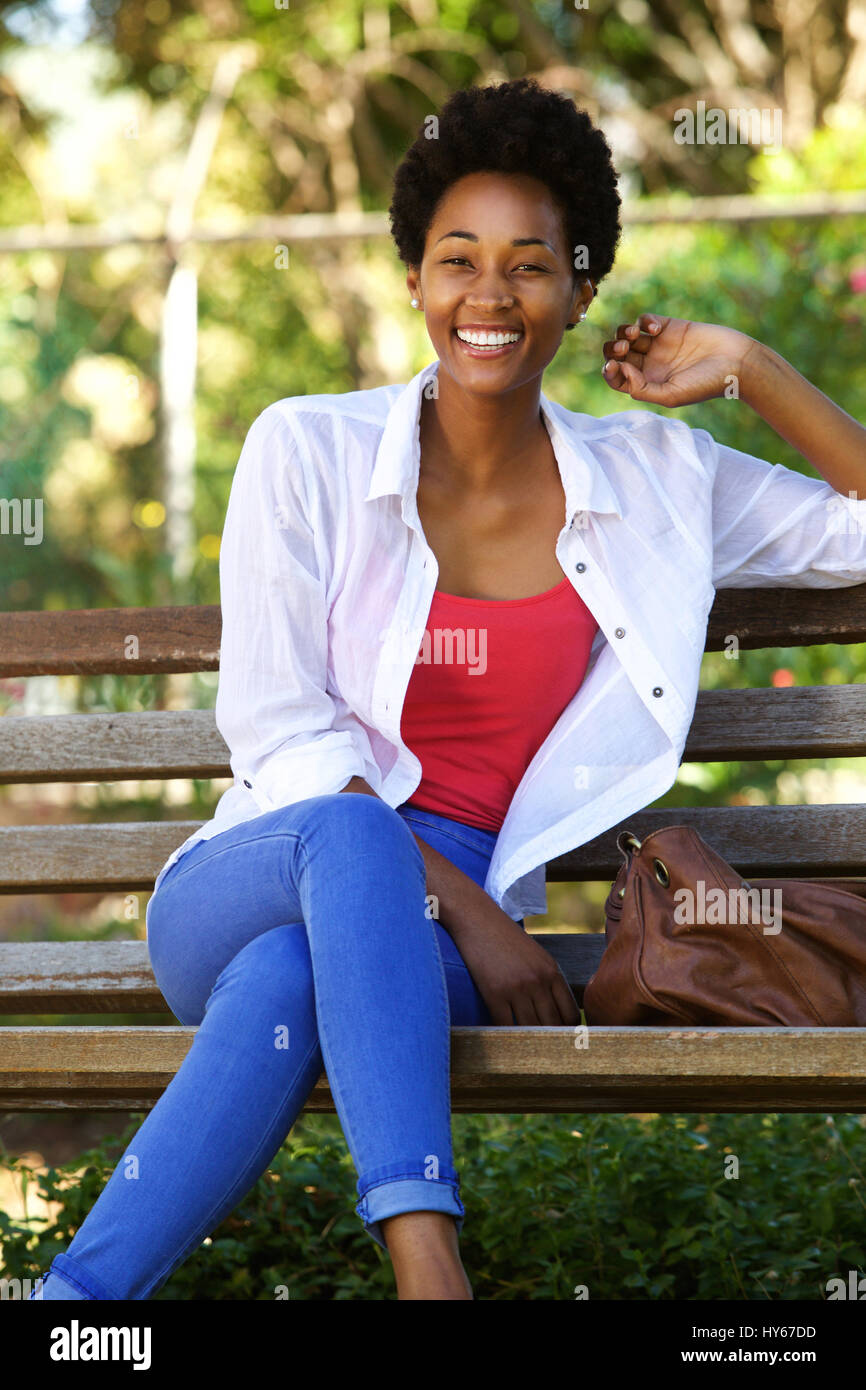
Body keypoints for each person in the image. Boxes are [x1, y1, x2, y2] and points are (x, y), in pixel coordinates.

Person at [32, 76, 866, 1303]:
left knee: (288, 978)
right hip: (260, 863)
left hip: (388, 947)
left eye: (530, 264)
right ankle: (432, 1270)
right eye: (455, 258)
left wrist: (746, 366)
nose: (489, 294)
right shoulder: (303, 448)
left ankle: (75, 1311)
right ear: (414, 279)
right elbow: (280, 729)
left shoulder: (652, 480)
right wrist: (472, 913)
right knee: (337, 851)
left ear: (580, 291)